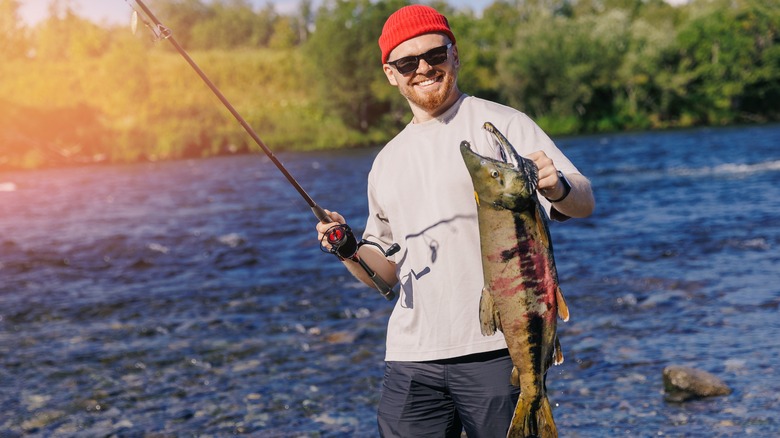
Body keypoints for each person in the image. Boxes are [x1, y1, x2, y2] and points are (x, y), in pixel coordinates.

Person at [315, 5, 595, 437]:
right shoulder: (386, 161)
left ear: (455, 55)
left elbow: (584, 201)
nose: (424, 68)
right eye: (408, 63)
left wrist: (557, 188)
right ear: (391, 74)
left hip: (497, 351)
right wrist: (349, 251)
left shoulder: (503, 124)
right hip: (411, 359)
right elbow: (385, 273)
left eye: (435, 55)